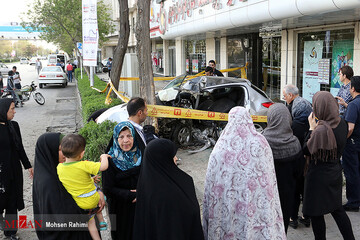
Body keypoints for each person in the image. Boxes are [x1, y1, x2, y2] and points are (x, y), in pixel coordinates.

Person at [202, 106, 286, 240]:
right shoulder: (261, 142)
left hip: (229, 206)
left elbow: (212, 182)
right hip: (256, 204)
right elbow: (268, 176)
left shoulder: (221, 146)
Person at [302, 91, 355, 240]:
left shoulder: (320, 130)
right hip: (335, 172)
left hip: (318, 176)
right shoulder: (342, 123)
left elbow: (306, 149)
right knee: (337, 210)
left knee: (316, 213)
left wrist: (311, 128)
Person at [33, 132, 105, 240]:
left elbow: (79, 184)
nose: (65, 153)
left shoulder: (58, 169)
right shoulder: (48, 182)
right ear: (49, 152)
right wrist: (90, 206)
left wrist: (98, 191)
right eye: (60, 150)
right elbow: (61, 215)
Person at [133, 138, 204, 240]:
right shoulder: (168, 193)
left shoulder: (146, 187)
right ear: (162, 159)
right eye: (171, 155)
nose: (176, 158)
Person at [57, 134, 109, 240]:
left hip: (79, 203)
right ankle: (102, 221)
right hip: (93, 199)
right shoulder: (84, 165)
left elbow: (76, 180)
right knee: (102, 198)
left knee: (90, 223)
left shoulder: (59, 168)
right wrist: (104, 157)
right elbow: (104, 166)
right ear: (81, 154)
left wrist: (90, 179)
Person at [263, 103, 302, 233]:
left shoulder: (262, 141)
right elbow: (299, 172)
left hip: (265, 195)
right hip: (287, 195)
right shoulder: (294, 143)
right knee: (282, 228)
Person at [102, 121, 143, 240]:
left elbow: (149, 178)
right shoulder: (109, 160)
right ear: (116, 138)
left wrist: (141, 193)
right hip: (118, 207)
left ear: (134, 137)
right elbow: (107, 188)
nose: (126, 140)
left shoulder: (142, 155)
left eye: (129, 136)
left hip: (139, 204)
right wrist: (130, 195)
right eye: (121, 137)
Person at [0, 98, 33, 240]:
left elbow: (19, 148)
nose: (14, 112)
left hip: (14, 170)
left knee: (12, 201)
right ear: (3, 111)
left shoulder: (14, 125)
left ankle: (10, 232)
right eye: (11, 109)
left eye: (14, 108)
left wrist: (28, 165)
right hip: (1, 173)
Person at [282, 84, 312, 228]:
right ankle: (305, 216)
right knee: (303, 186)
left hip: (298, 157)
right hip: (304, 156)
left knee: (297, 187)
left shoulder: (299, 113)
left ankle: (294, 218)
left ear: (291, 95)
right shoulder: (298, 104)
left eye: (284, 95)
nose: (283, 98)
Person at [342, 76, 360, 212]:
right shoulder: (354, 104)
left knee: (351, 172)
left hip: (352, 144)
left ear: (352, 88)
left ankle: (353, 202)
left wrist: (343, 140)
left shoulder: (354, 105)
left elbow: (350, 128)